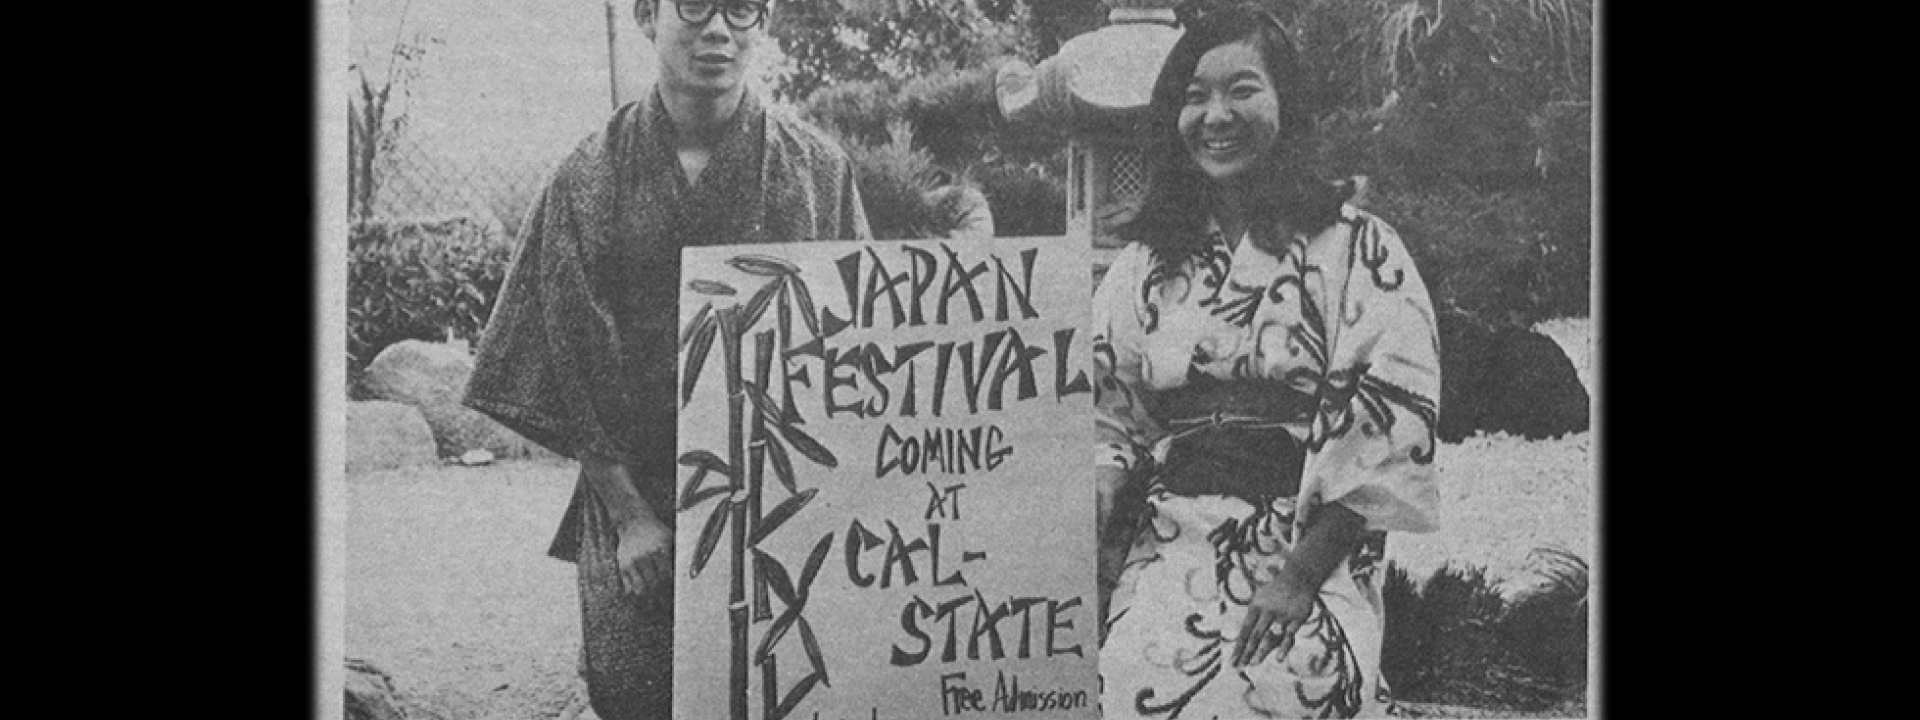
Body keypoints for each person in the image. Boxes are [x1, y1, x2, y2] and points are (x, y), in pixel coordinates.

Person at [461, 2, 872, 718]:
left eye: (741, 7)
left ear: (764, 21)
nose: (717, 29)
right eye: (692, 5)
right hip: (634, 498)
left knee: (786, 692)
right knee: (637, 699)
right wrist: (628, 516)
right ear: (647, 17)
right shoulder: (587, 176)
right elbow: (565, 349)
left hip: (782, 498)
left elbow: (860, 347)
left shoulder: (818, 171)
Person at [1091, 2, 1441, 718]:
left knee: (1288, 678)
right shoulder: (1144, 265)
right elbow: (1110, 421)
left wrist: (1300, 577)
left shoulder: (1359, 249)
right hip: (1169, 532)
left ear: (1287, 101)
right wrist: (1097, 535)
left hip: (1307, 538)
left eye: (1242, 89)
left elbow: (1388, 427)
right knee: (1126, 671)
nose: (1216, 115)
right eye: (1194, 97)